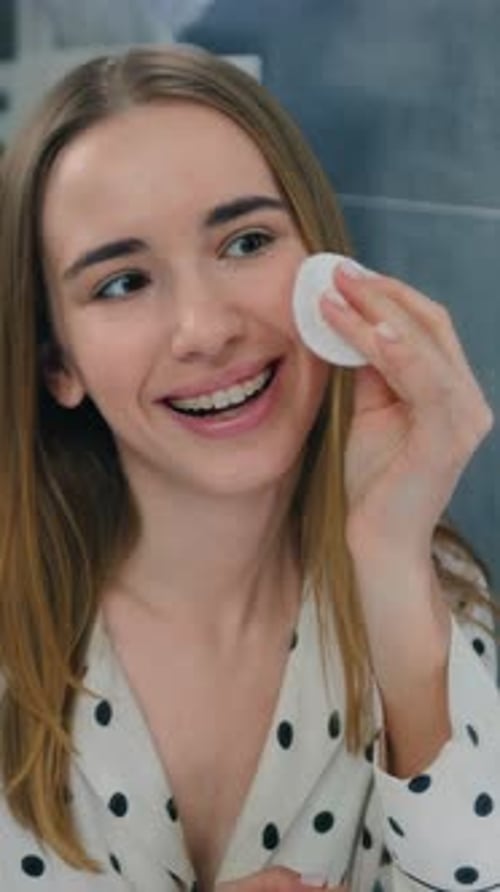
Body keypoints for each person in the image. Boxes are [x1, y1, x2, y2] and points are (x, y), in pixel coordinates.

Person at [0, 44, 498, 892]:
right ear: (59, 364)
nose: (205, 328)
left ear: (329, 269)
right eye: (122, 283)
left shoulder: (433, 596)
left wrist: (389, 558)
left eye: (246, 241)